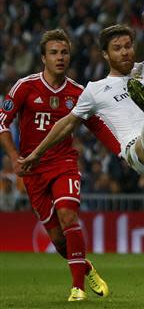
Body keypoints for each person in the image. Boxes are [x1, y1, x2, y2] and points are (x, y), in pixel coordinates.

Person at [18, 7, 144, 289]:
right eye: (117, 48)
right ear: (105, 55)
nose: (125, 52)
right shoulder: (95, 90)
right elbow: (66, 124)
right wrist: (36, 154)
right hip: (137, 149)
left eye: (128, 46)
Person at [0, 29, 109, 301]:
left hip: (64, 163)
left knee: (68, 216)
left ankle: (77, 289)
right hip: (33, 170)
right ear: (43, 58)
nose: (60, 58)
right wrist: (14, 157)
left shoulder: (78, 92)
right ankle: (85, 267)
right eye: (54, 53)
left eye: (64, 52)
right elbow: (2, 122)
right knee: (60, 241)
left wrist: (123, 148)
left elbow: (98, 125)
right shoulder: (24, 87)